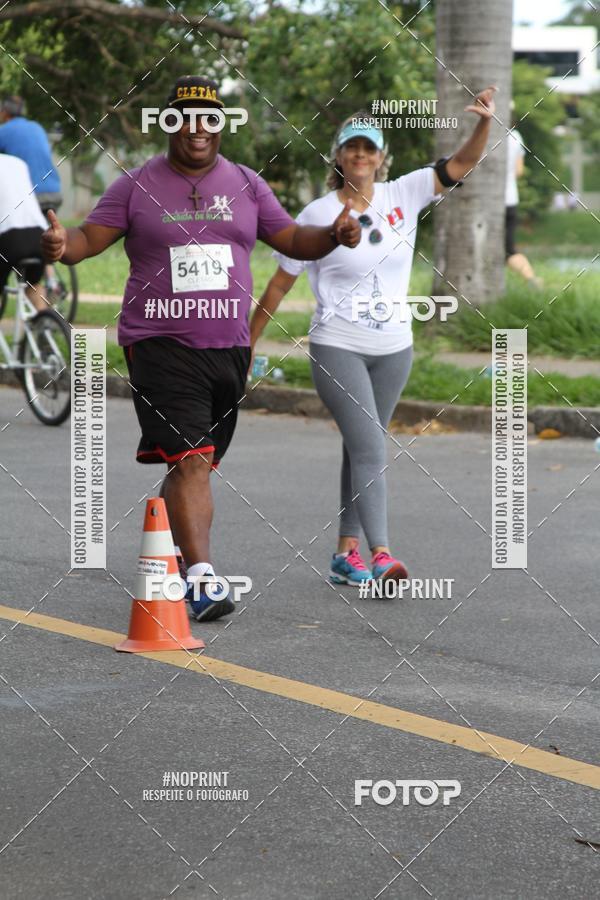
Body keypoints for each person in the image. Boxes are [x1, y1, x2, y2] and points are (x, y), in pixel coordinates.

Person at [42, 75, 360, 622]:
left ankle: (164, 548)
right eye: (185, 118)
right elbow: (89, 239)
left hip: (228, 347)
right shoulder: (136, 185)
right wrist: (61, 243)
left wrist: (334, 234)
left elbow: (290, 240)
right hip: (158, 342)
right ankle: (202, 580)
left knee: (196, 464)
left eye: (209, 118)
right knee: (192, 459)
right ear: (169, 122)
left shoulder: (246, 184)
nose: (198, 129)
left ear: (220, 125)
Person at [251, 87, 496, 587]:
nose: (360, 155)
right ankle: (382, 553)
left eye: (369, 147)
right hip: (337, 345)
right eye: (351, 147)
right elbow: (280, 282)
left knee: (361, 447)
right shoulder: (317, 214)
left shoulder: (403, 193)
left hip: (394, 350)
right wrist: (246, 341)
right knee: (371, 450)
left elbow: (461, 164)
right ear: (339, 157)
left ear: (381, 157)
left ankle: (345, 553)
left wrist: (484, 123)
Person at [0, 153, 48, 311]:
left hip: (9, 234)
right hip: (39, 233)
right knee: (33, 284)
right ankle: (44, 324)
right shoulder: (18, 162)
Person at [0, 96, 62, 214]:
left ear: (4, 112)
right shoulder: (36, 127)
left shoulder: (4, 131)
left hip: (31, 195)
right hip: (54, 192)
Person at [505, 124, 541, 287]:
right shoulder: (515, 136)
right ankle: (531, 279)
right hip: (510, 198)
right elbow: (519, 171)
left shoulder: (482, 133)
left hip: (487, 202)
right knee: (508, 248)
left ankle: (532, 280)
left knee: (505, 250)